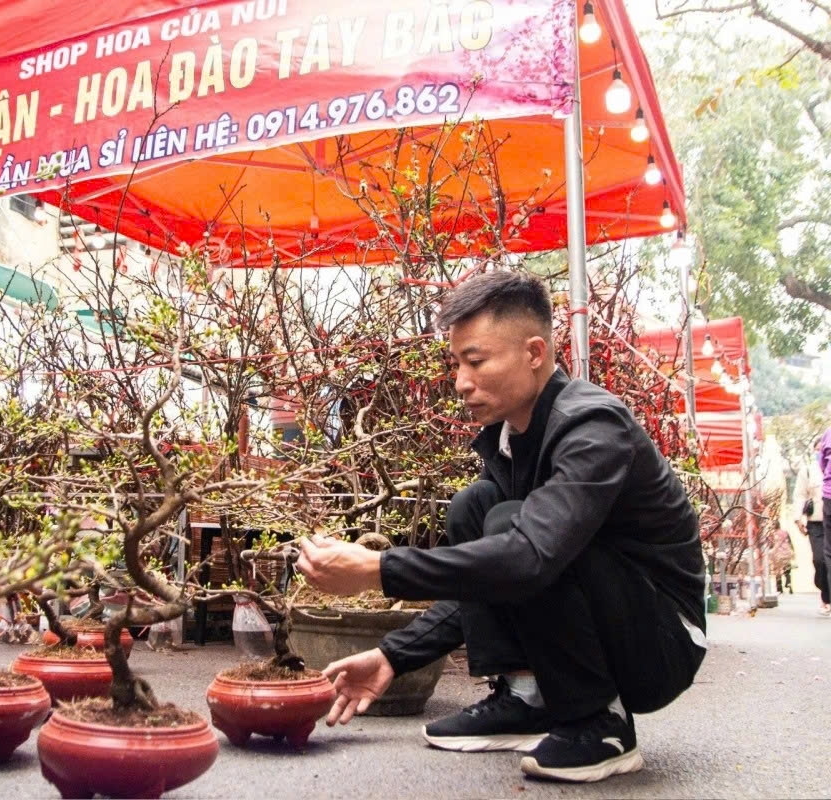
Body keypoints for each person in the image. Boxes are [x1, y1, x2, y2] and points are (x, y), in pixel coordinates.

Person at [295, 272, 706, 784]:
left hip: (661, 641)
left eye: (476, 361)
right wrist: (392, 656)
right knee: (478, 506)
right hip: (614, 613)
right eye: (456, 364)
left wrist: (378, 570)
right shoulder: (511, 440)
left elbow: (528, 557)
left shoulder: (594, 427)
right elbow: (488, 582)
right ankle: (527, 696)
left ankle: (599, 724)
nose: (461, 381)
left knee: (513, 525)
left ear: (534, 353)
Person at [793, 438, 829, 616]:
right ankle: (825, 592)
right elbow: (800, 495)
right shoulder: (808, 470)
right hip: (816, 522)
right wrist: (798, 517)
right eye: (818, 450)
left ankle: (826, 600)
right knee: (820, 560)